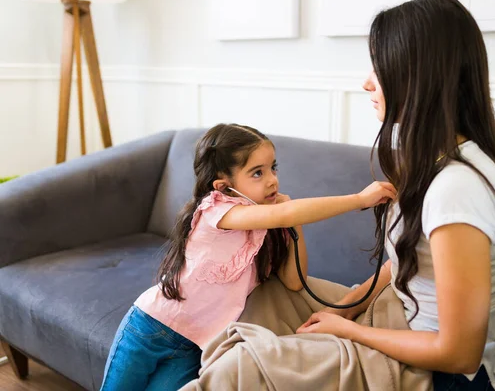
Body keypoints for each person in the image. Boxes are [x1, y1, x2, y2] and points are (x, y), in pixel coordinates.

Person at [296, 0, 495, 390]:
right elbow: (409, 267)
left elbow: (459, 354)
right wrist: (350, 307)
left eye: (378, 67)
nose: (367, 81)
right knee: (266, 301)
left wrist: (348, 331)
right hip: (400, 316)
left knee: (244, 364)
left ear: (416, 77)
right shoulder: (437, 162)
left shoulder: (457, 188)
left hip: (442, 374)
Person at [99, 123, 396, 390]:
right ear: (223, 186)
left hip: (194, 345)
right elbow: (282, 213)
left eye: (273, 168)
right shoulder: (216, 210)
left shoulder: (269, 226)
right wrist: (359, 200)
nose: (272, 181)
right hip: (151, 328)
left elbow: (294, 281)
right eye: (257, 173)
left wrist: (293, 223)